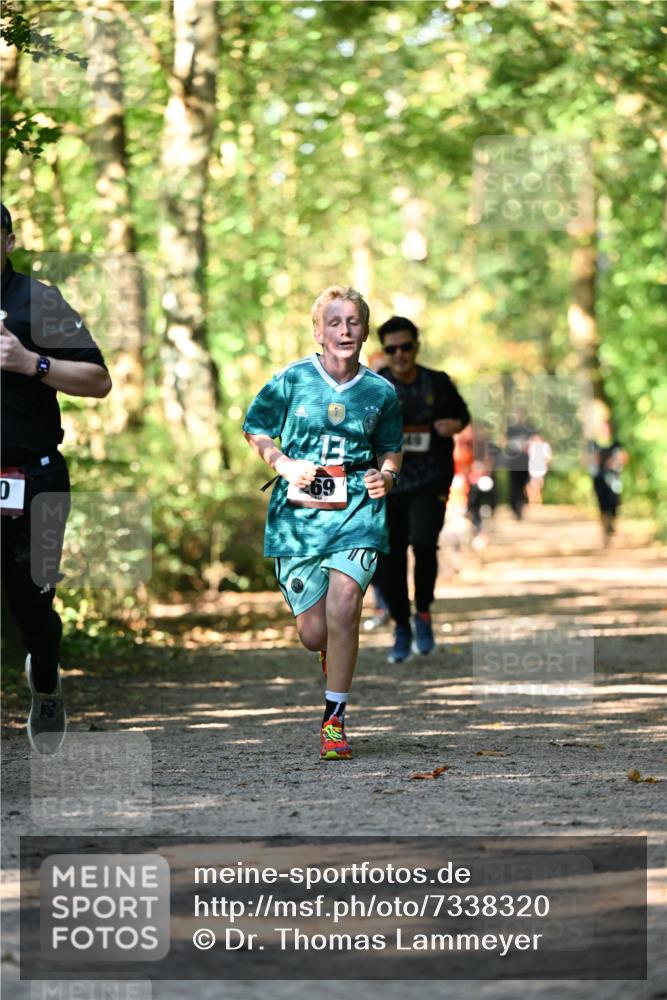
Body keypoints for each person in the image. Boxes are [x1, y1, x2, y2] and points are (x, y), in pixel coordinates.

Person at [243, 285, 402, 760]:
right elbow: (255, 427)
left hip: (358, 509)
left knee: (346, 603)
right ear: (318, 332)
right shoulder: (291, 380)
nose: (344, 331)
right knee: (315, 633)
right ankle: (330, 653)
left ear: (365, 331)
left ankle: (334, 719)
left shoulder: (381, 391)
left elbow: (391, 448)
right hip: (298, 518)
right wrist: (283, 463)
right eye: (334, 323)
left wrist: (386, 476)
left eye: (353, 322)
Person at [1, 203, 112, 753]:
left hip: (35, 479)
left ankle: (45, 675)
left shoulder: (37, 301)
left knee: (32, 605)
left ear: (8, 241)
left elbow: (98, 380)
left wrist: (32, 364)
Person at [375, 316, 470, 663]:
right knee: (391, 557)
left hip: (431, 479)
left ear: (416, 347)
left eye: (406, 347)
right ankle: (402, 625)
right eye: (392, 349)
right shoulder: (374, 385)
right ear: (384, 351)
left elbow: (463, 415)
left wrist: (454, 424)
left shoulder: (437, 382)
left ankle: (424, 612)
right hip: (388, 482)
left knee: (425, 543)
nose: (399, 354)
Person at [587, 416, 627, 544]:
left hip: (614, 478)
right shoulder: (593, 444)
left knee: (614, 502)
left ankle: (612, 523)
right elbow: (587, 459)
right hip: (599, 477)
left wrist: (615, 461)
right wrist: (595, 459)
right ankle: (605, 527)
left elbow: (624, 457)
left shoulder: (616, 444)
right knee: (602, 503)